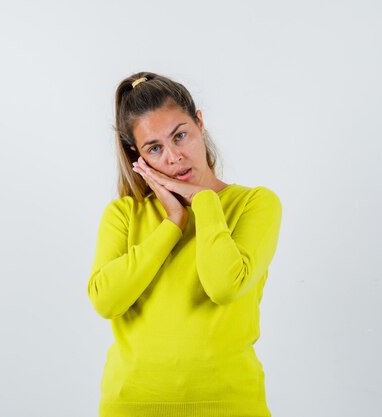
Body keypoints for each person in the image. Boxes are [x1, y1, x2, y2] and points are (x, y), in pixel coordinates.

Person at [86, 71, 283, 417]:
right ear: (138, 155)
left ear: (200, 123)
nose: (174, 157)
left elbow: (224, 286)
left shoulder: (255, 204)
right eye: (155, 148)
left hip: (231, 406)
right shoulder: (124, 214)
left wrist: (204, 202)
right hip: (131, 406)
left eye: (180, 136)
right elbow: (105, 301)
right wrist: (172, 223)